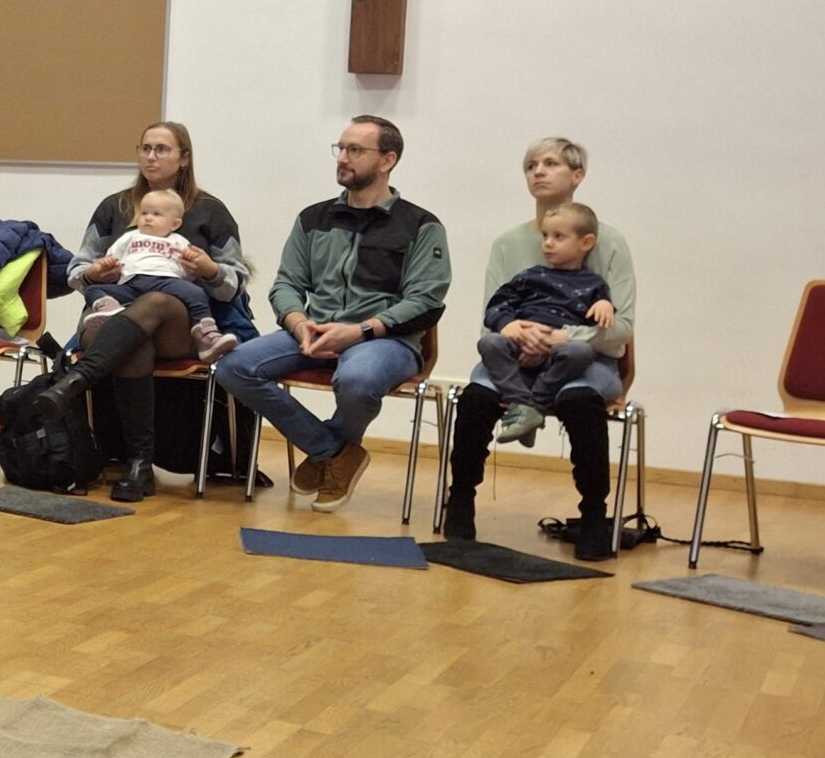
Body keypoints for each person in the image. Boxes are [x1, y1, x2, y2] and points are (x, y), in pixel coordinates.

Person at [211, 115, 449, 513]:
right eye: (340, 148)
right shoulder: (313, 218)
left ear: (387, 160)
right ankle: (333, 451)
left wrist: (359, 331)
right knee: (233, 368)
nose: (342, 158)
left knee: (356, 380)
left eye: (355, 150)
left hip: (384, 340)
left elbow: (425, 299)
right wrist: (297, 323)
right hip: (313, 331)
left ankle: (329, 452)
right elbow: (286, 284)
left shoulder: (421, 226)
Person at [33, 121, 253, 502]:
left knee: (156, 302)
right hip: (113, 310)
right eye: (145, 148)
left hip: (179, 323)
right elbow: (76, 271)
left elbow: (235, 281)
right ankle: (139, 464)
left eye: (162, 149)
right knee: (132, 338)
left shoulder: (210, 212)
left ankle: (77, 380)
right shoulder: (114, 207)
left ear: (184, 158)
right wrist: (95, 272)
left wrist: (208, 270)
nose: (151, 157)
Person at [443, 194, 629, 559]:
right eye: (546, 236)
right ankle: (460, 499)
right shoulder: (528, 273)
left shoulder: (594, 281)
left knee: (579, 394)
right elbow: (495, 308)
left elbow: (617, 325)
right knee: (479, 388)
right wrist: (514, 328)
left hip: (567, 354)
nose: (548, 244)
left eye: (558, 237)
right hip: (518, 350)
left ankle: (594, 515)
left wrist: (590, 315)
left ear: (585, 242)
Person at [480, 135, 637, 447]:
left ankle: (589, 489)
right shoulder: (506, 244)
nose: (538, 171)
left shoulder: (609, 242)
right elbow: (491, 319)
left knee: (579, 400)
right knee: (477, 397)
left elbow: (621, 329)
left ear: (577, 175)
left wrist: (560, 338)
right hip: (516, 356)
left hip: (586, 359)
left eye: (550, 164)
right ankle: (462, 483)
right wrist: (519, 334)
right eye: (531, 166)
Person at [75, 189, 238, 361]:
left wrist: (198, 265)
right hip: (131, 283)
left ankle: (206, 336)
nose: (148, 218)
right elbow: (110, 258)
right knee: (92, 289)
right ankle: (109, 308)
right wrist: (105, 265)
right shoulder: (128, 237)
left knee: (197, 293)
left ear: (174, 224)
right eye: (144, 213)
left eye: (156, 214)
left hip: (167, 284)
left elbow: (189, 269)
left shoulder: (178, 241)